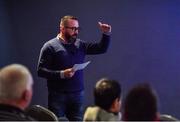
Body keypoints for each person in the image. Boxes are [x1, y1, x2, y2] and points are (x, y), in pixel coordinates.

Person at [37, 15, 111, 121]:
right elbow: (40, 71)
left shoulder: (80, 44)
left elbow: (101, 48)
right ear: (62, 28)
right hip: (58, 95)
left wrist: (106, 34)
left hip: (77, 94)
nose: (76, 32)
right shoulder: (50, 46)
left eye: (77, 29)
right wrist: (62, 74)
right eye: (73, 29)